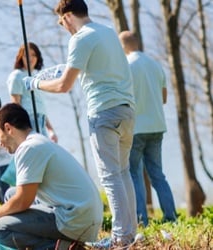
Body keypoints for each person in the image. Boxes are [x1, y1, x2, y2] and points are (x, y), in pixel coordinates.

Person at [23, 0, 137, 247]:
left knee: (110, 176)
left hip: (103, 112)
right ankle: (130, 233)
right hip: (126, 110)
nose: (63, 27)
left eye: (61, 22)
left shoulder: (80, 38)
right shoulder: (107, 31)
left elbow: (64, 85)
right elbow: (97, 66)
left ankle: (120, 238)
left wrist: (35, 84)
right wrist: (63, 68)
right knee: (123, 172)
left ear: (68, 17)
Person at [0, 103, 103, 249]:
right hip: (83, 214)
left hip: (76, 220)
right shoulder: (38, 141)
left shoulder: (29, 148)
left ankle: (61, 246)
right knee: (10, 194)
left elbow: (23, 201)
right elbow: (20, 196)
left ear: (8, 128)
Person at [119, 30, 177, 226]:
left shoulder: (126, 66)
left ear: (123, 45)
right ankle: (171, 218)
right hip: (157, 126)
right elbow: (164, 98)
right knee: (158, 175)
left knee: (134, 174)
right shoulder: (155, 65)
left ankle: (142, 221)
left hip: (136, 128)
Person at [7, 42, 58, 142]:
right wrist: (22, 127)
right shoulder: (17, 76)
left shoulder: (37, 78)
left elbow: (40, 107)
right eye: (26, 55)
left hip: (41, 121)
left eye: (33, 55)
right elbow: (15, 104)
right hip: (29, 121)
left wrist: (50, 129)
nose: (30, 58)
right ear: (21, 57)